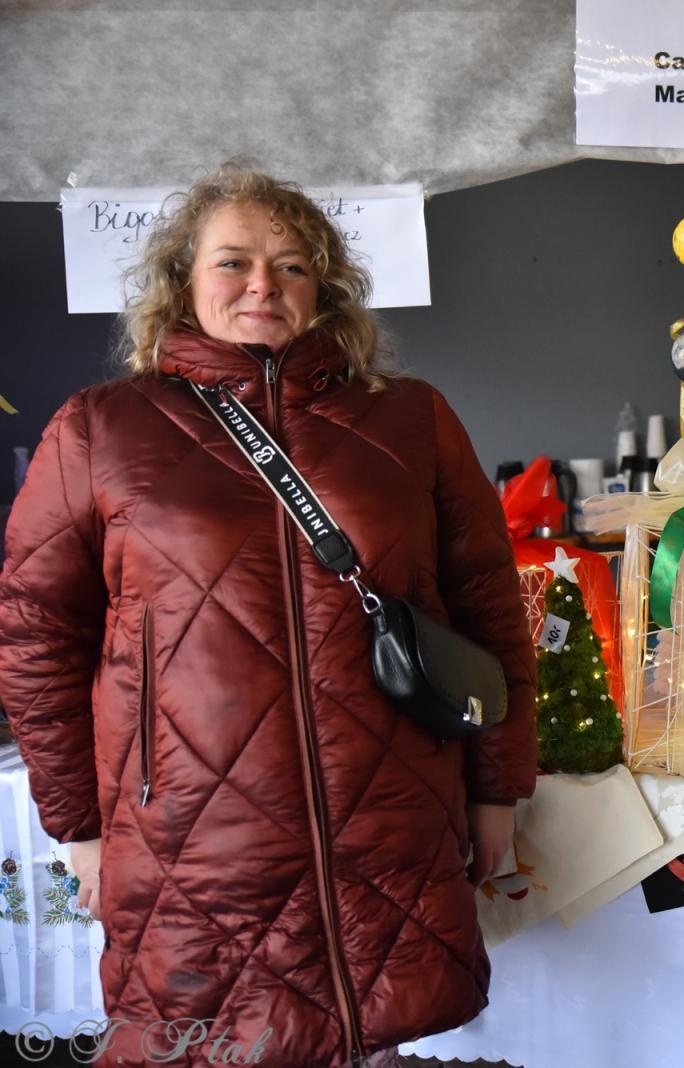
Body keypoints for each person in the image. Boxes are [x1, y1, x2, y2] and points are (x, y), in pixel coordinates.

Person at [0, 166, 537, 1067]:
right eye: (234, 261)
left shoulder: (408, 418)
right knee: (215, 1041)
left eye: (292, 266)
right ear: (183, 280)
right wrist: (78, 828)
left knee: (377, 1034)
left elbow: (486, 606)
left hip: (390, 809)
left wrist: (496, 793)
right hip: (192, 835)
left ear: (323, 285)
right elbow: (36, 638)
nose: (263, 285)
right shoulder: (101, 427)